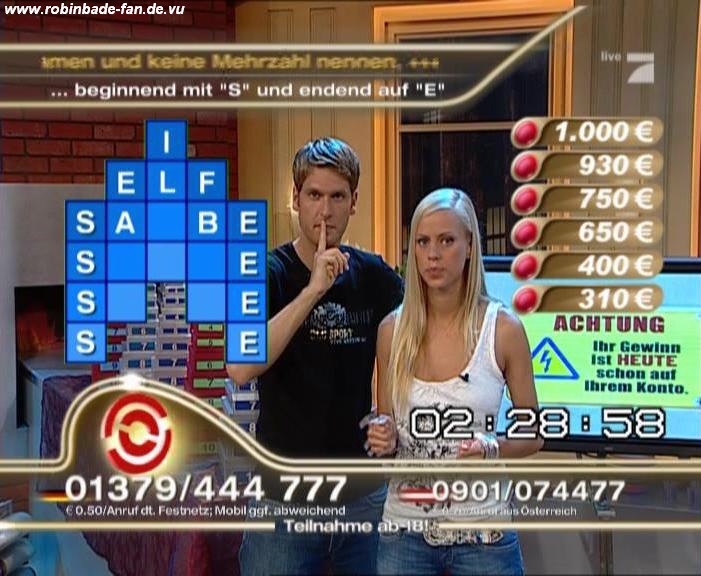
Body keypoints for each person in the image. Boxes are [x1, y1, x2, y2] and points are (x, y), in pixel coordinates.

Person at [227, 137, 403, 576]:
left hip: (361, 498)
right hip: (283, 500)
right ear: (296, 199)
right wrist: (312, 292)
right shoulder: (266, 273)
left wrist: (392, 418)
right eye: (314, 195)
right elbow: (240, 367)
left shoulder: (375, 276)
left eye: (337, 197)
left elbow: (420, 336)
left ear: (354, 202)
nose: (325, 211)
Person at [367, 188, 543, 576]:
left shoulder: (504, 330)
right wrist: (383, 437)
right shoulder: (391, 331)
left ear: (469, 246)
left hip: (483, 535)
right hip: (405, 532)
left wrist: (491, 448)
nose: (433, 254)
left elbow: (533, 435)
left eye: (446, 241)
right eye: (423, 242)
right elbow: (387, 433)